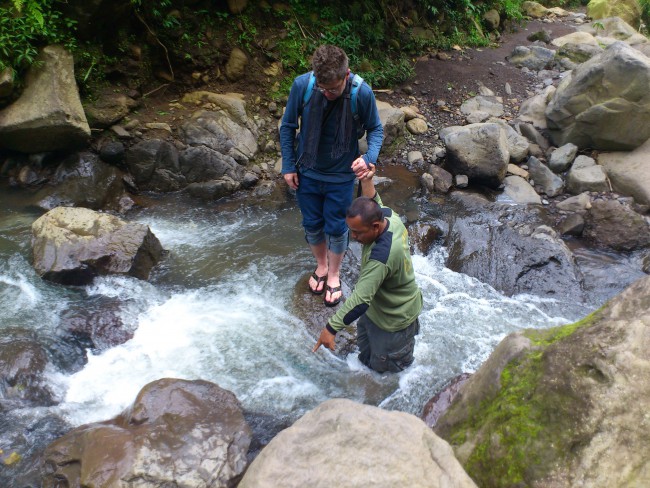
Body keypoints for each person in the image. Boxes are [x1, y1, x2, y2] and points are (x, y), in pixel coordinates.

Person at [279, 45, 384, 307]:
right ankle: (322, 265)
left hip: (341, 174)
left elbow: (376, 130)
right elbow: (288, 127)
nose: (327, 94)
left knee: (337, 227)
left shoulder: (362, 92)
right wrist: (288, 166)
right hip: (307, 171)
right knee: (312, 224)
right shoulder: (302, 86)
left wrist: (368, 157)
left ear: (346, 75)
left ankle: (334, 276)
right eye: (322, 88)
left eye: (333, 90)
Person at [312, 167, 423, 373]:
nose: (353, 237)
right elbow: (374, 200)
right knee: (366, 359)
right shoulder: (390, 217)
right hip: (378, 311)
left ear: (374, 227)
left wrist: (330, 328)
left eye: (357, 232)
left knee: (387, 373)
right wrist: (367, 180)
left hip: (395, 322)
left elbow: (361, 300)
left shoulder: (381, 257)